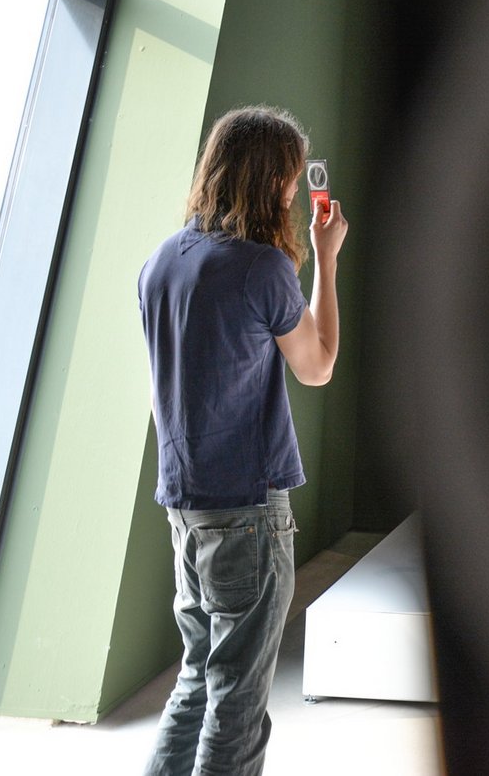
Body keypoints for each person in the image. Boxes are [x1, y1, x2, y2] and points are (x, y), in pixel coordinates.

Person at [138, 105, 348, 775]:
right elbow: (317, 365)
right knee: (237, 702)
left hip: (186, 506)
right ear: (267, 178)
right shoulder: (262, 268)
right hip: (247, 512)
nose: (293, 191)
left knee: (197, 679)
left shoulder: (162, 261)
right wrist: (326, 260)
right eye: (289, 176)